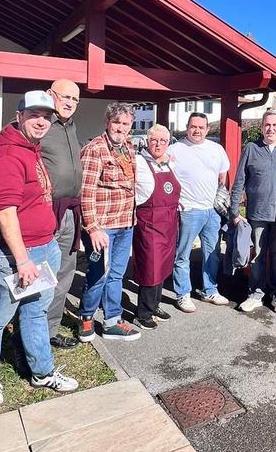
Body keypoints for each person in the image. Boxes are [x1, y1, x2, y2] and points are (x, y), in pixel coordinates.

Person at [0, 90, 79, 409]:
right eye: (34, 115)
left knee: (36, 311)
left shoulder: (31, 149)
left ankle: (42, 371)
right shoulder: (7, 154)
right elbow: (5, 211)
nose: (41, 121)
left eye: (46, 117)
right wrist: (21, 260)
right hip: (20, 254)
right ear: (18, 116)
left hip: (45, 247)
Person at [77, 103, 141, 341]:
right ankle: (86, 317)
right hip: (102, 227)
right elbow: (86, 191)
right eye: (116, 122)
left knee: (116, 274)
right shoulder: (95, 149)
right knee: (99, 274)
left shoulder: (129, 148)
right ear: (107, 122)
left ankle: (112, 319)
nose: (120, 128)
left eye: (125, 124)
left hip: (126, 223)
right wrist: (92, 228)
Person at [229, 109, 276, 313]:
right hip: (256, 213)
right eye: (267, 125)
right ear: (261, 127)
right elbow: (239, 179)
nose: (271, 128)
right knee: (257, 255)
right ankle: (256, 293)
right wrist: (234, 210)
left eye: (275, 125)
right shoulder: (251, 148)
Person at [169, 112, 231, 312]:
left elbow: (223, 177)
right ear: (187, 127)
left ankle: (209, 289)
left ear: (207, 129)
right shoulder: (175, 149)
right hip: (188, 210)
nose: (196, 130)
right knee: (183, 254)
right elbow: (166, 178)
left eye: (201, 127)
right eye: (193, 126)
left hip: (211, 210)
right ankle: (183, 294)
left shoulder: (216, 149)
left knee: (212, 253)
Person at [42, 78, 83, 349]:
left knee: (65, 272)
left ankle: (50, 331)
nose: (69, 103)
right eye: (64, 97)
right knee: (42, 272)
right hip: (46, 211)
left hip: (70, 211)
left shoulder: (71, 127)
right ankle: (30, 335)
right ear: (50, 95)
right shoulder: (41, 124)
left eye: (75, 100)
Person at [131, 124, 178, 329]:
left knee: (164, 265)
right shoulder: (139, 162)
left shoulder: (170, 164)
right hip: (149, 222)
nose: (158, 144)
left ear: (168, 143)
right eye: (154, 140)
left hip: (168, 223)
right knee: (150, 266)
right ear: (146, 141)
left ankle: (155, 305)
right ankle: (142, 313)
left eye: (163, 141)